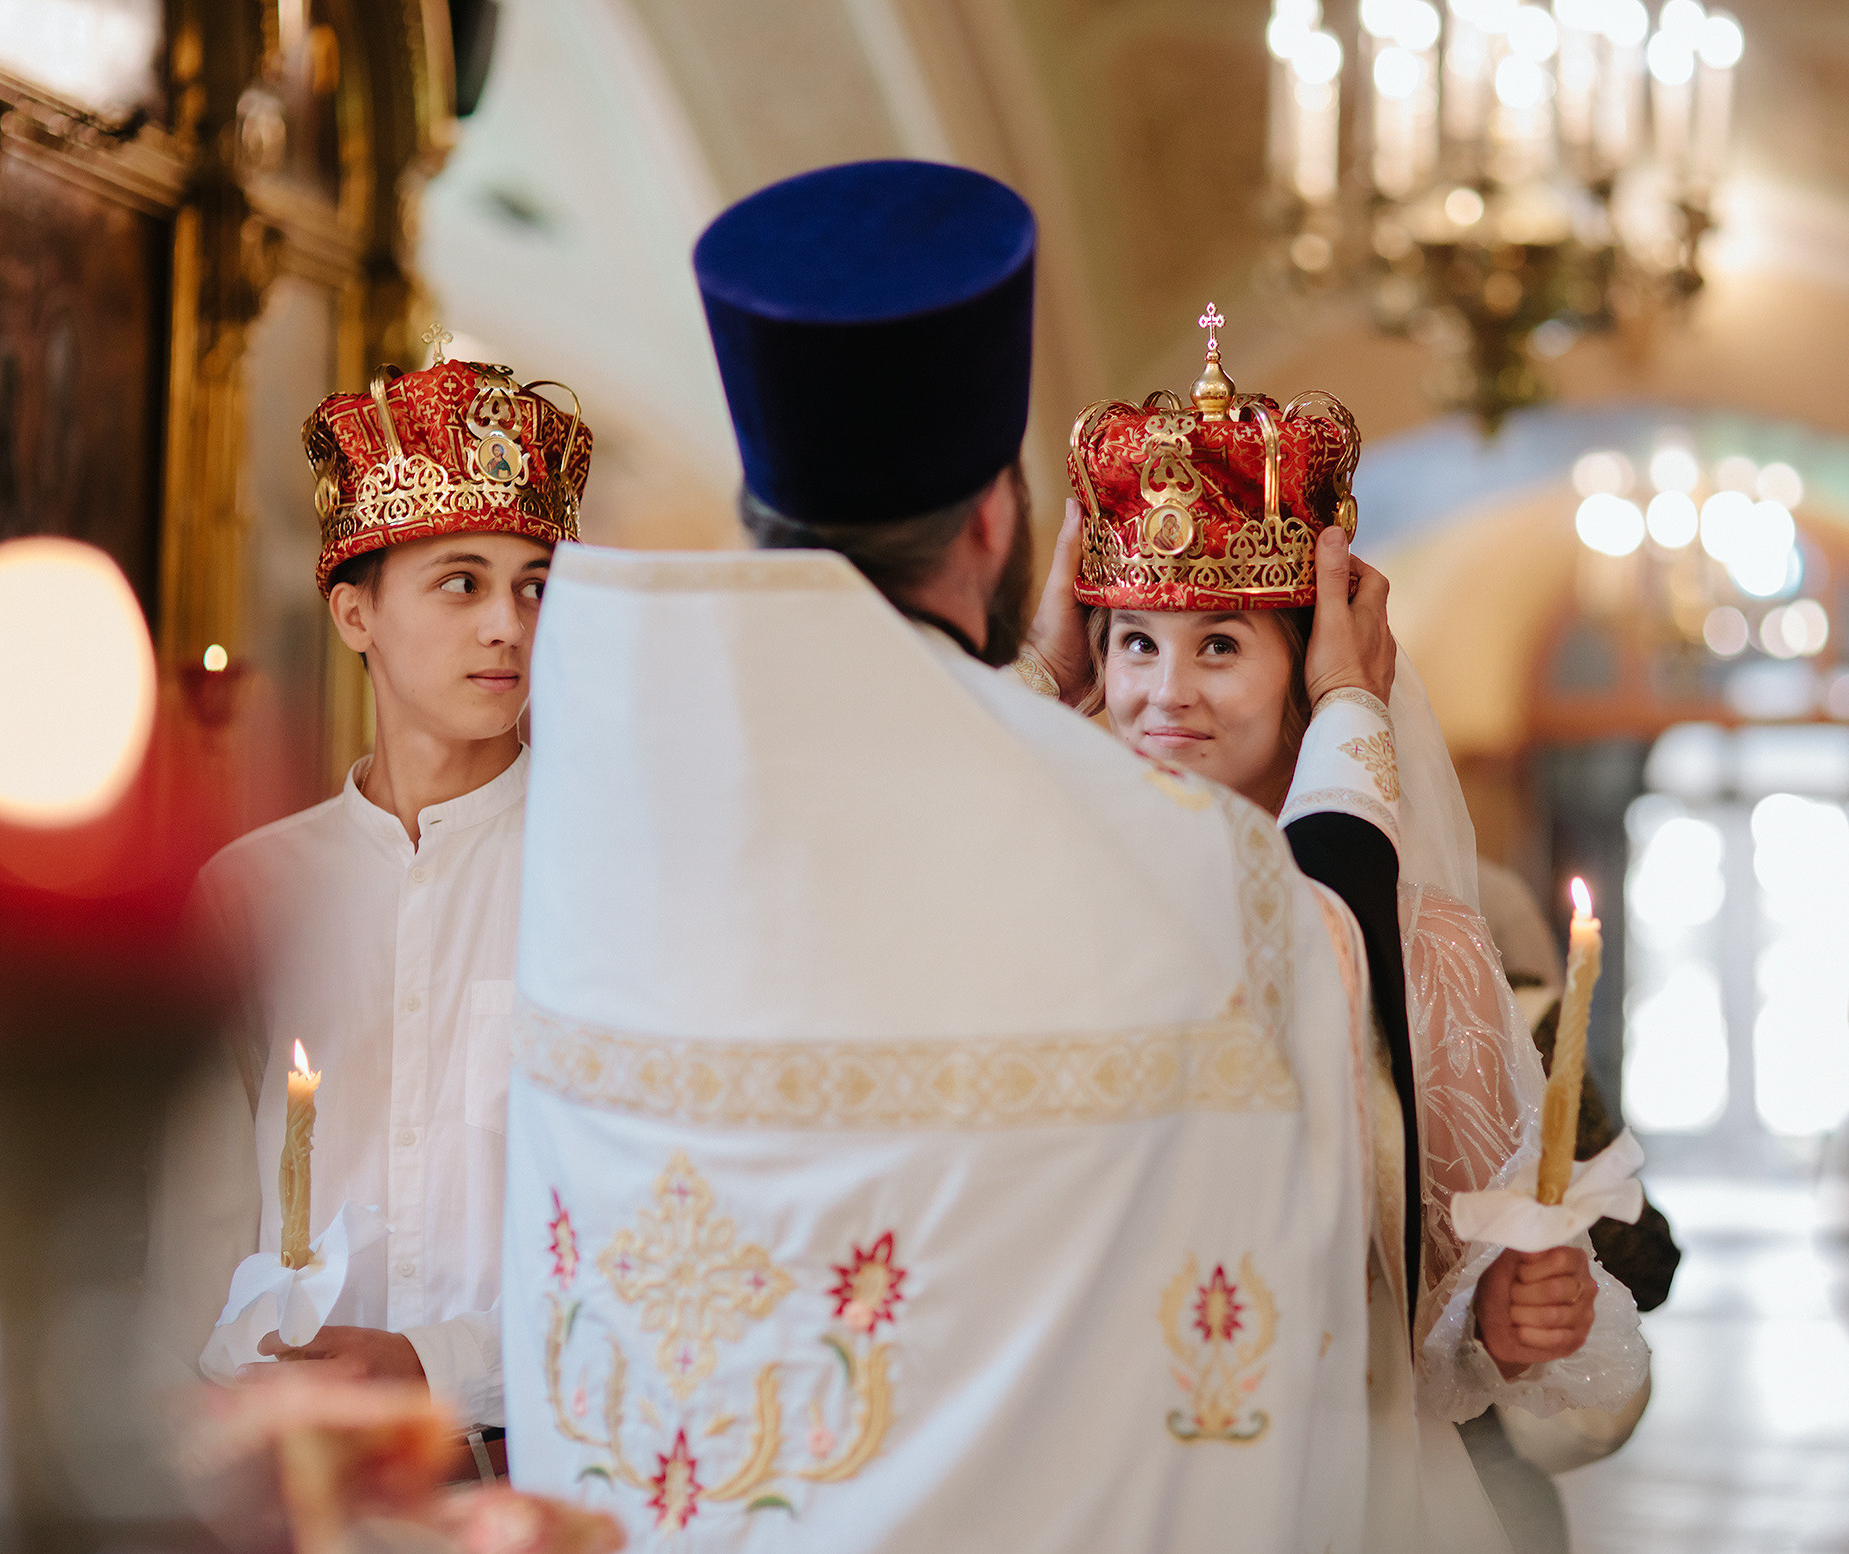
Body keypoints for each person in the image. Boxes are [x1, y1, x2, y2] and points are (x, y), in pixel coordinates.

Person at [499, 159, 1402, 1552]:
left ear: (759, 506)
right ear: (995, 521)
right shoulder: (1192, 874)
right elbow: (1314, 1024)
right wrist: (1347, 718)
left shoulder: (596, 809)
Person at [1021, 329, 1650, 1551]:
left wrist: (1511, 1314)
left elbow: (1458, 1294)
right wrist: (1032, 676)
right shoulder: (1044, 911)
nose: (1166, 694)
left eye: (1217, 645)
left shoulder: (1432, 955)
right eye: (1133, 643)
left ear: (1312, 677)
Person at [144, 347, 593, 1475]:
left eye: (534, 585)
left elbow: (645, 1241)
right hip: (284, 1475)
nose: (508, 625)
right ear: (355, 614)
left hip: (532, 1468)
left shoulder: (599, 881)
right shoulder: (250, 895)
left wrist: (439, 1368)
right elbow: (189, 1232)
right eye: (462, 581)